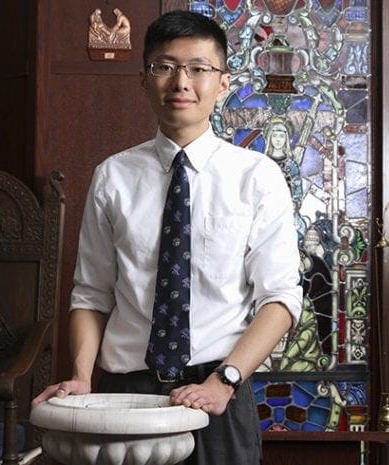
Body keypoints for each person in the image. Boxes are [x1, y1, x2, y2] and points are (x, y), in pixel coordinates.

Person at [32, 10, 303, 465]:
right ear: (144, 80)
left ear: (223, 83)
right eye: (165, 67)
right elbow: (92, 294)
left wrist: (225, 380)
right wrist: (81, 376)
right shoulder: (113, 176)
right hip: (125, 395)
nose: (182, 82)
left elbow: (279, 300)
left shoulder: (257, 177)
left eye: (199, 69)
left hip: (219, 391)